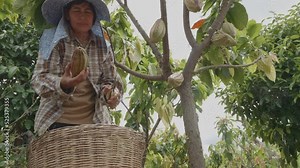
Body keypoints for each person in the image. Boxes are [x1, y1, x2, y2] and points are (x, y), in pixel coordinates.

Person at [31, 0, 123, 136]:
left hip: (95, 123)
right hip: (55, 122)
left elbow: (110, 80)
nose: (82, 16)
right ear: (67, 15)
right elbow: (39, 79)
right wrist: (63, 83)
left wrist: (110, 94)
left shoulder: (103, 42)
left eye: (87, 11)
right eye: (76, 10)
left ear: (94, 16)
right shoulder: (53, 39)